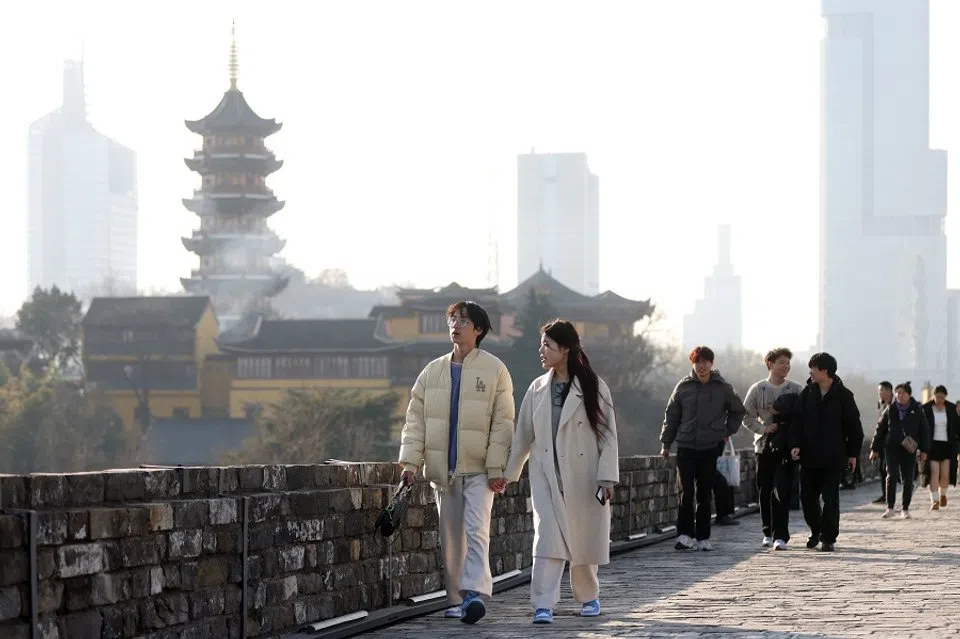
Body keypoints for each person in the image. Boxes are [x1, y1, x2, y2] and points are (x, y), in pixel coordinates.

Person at [397, 301, 515, 624]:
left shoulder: (495, 370)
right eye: (452, 319)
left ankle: (474, 594)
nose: (456, 325)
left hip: (479, 470)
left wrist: (496, 468)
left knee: (477, 531)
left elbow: (503, 424)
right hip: (443, 471)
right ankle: (455, 599)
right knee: (450, 539)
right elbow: (415, 421)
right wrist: (410, 464)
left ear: (478, 329)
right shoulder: (431, 372)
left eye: (463, 320)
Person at [505, 320, 619, 625]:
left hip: (583, 474)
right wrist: (507, 473)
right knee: (547, 539)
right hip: (546, 475)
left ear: (565, 348)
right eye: (541, 344)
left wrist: (606, 477)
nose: (541, 350)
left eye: (547, 345)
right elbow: (523, 435)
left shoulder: (594, 386)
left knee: (583, 537)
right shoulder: (537, 388)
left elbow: (608, 436)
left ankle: (589, 596)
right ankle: (543, 603)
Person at [660, 346, 745, 552]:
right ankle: (685, 535)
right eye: (698, 362)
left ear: (711, 363)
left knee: (704, 492)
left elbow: (738, 411)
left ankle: (703, 537)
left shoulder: (722, 387)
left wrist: (725, 431)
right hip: (686, 446)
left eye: (705, 361)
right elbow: (671, 416)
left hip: (710, 446)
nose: (702, 366)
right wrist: (666, 443)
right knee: (685, 492)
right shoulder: (683, 387)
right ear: (693, 363)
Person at [789, 352, 863, 552]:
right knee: (807, 498)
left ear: (825, 370)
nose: (810, 372)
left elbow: (854, 427)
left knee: (831, 499)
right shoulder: (807, 394)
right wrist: (795, 444)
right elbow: (797, 422)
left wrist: (853, 454)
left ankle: (828, 537)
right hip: (809, 456)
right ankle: (816, 530)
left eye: (813, 368)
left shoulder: (844, 396)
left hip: (833, 457)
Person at [741, 347, 803, 550]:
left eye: (788, 363)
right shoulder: (758, 389)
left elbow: (805, 416)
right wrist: (763, 429)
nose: (786, 366)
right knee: (765, 490)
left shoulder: (796, 389)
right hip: (763, 447)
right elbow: (746, 416)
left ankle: (781, 536)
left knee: (782, 490)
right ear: (770, 364)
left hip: (786, 447)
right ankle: (767, 532)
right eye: (781, 362)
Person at [870, 382, 929, 520]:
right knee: (891, 476)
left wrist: (924, 450)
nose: (900, 395)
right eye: (898, 393)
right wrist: (874, 448)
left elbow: (924, 430)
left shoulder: (917, 410)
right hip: (891, 447)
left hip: (909, 448)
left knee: (907, 479)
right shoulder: (890, 409)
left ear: (909, 395)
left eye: (903, 393)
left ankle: (905, 508)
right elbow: (880, 429)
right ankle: (890, 507)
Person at [921, 385, 960, 510]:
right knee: (934, 472)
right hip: (932, 445)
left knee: (945, 474)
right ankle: (935, 500)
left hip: (947, 445)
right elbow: (921, 427)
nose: (939, 400)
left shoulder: (951, 409)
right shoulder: (926, 409)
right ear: (933, 396)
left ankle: (943, 494)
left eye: (942, 397)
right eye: (937, 397)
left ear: (945, 397)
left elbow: (957, 426)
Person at [872, 382, 894, 504]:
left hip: (893, 442)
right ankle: (885, 495)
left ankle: (890, 496)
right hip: (882, 442)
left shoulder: (895, 404)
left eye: (881, 391)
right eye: (879, 391)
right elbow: (879, 425)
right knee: (883, 469)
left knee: (889, 469)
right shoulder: (881, 404)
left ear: (889, 391)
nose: (879, 393)